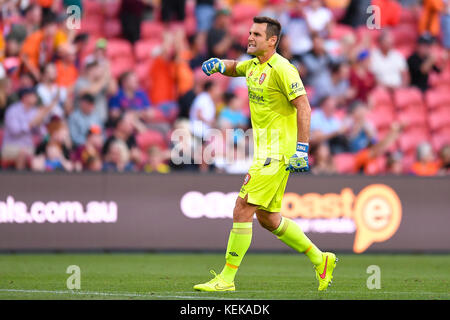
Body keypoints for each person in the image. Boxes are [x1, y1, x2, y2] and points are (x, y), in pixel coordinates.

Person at [194, 16, 337, 292]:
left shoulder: (283, 69)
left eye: (257, 34)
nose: (250, 37)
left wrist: (302, 150)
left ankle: (226, 278)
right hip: (265, 152)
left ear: (272, 40)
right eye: (249, 32)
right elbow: (236, 67)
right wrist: (219, 65)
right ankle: (321, 259)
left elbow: (304, 107)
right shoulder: (254, 65)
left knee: (242, 207)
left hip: (278, 153)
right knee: (268, 218)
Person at [1, 87, 54, 169]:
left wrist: (39, 124)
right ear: (25, 97)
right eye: (33, 96)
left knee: (45, 155)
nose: (36, 98)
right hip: (11, 147)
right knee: (23, 153)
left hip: (29, 147)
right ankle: (18, 180)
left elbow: (42, 133)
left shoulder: (34, 111)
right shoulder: (12, 110)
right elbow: (14, 131)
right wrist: (31, 123)